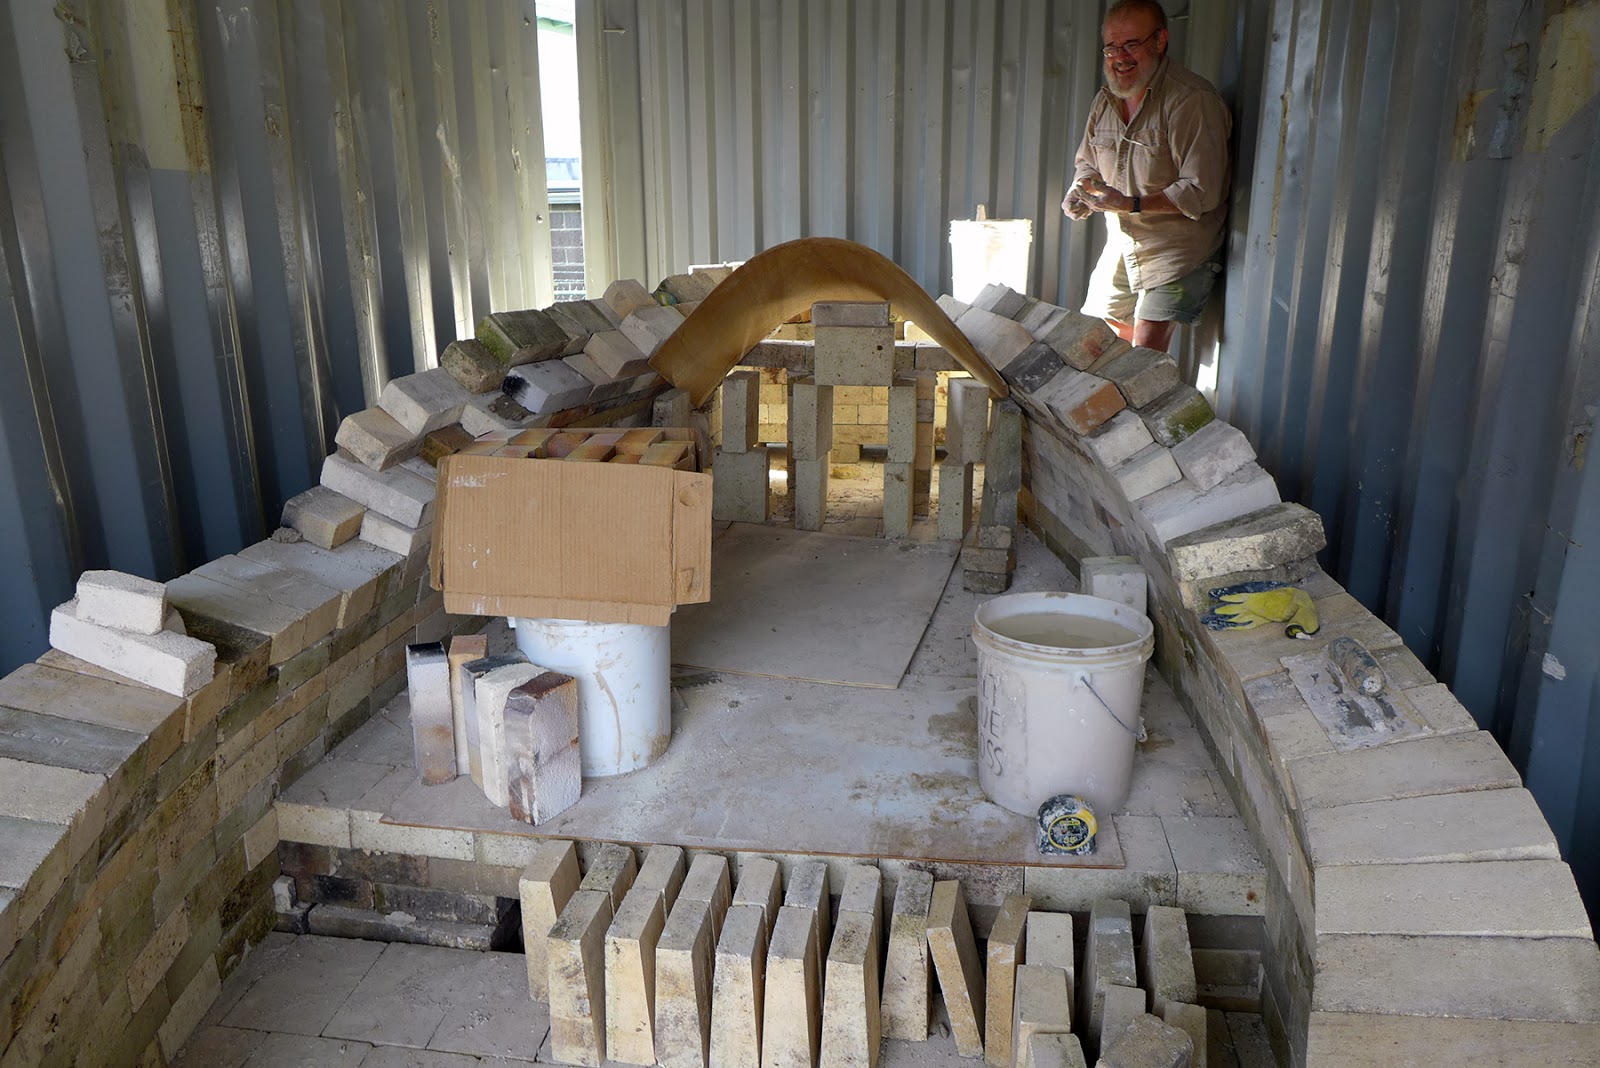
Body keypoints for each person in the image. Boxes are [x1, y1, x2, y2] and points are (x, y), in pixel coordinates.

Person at [1062, 0, 1232, 352]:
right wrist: (1080, 190)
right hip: (1125, 244)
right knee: (1092, 345)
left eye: (1131, 45)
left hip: (1177, 251)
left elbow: (1202, 191)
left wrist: (1130, 203)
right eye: (1111, 47)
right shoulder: (1105, 98)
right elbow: (1087, 162)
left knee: (1143, 358)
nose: (1119, 57)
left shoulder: (1191, 100)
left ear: (1160, 41)